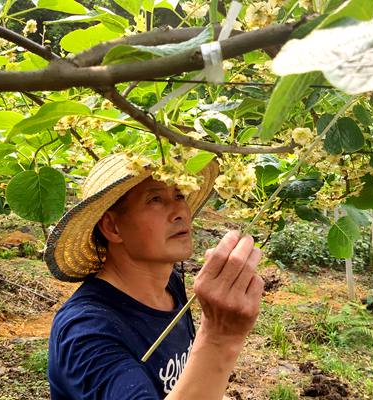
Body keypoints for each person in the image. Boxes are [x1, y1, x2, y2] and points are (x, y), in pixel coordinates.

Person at [45, 153, 264, 400]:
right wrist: (219, 338)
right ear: (112, 227)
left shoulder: (169, 282)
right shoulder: (86, 332)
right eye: (155, 199)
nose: (180, 212)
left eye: (179, 195)